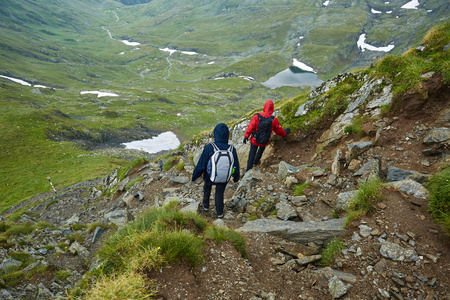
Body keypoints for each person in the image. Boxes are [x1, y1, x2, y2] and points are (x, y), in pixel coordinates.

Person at [192, 123, 240, 218]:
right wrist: (235, 177)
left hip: (210, 176)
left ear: (215, 134)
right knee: (219, 192)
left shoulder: (210, 147)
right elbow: (235, 166)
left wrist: (194, 176)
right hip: (224, 177)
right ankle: (219, 213)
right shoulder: (232, 149)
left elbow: (201, 165)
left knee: (207, 186)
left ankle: (206, 206)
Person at [243, 100, 290, 172]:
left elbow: (250, 128)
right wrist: (285, 133)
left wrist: (246, 136)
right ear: (272, 109)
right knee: (261, 150)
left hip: (254, 140)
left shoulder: (256, 116)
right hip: (264, 140)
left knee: (251, 155)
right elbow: (278, 130)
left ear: (264, 107)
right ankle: (256, 162)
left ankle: (248, 171)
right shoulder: (273, 119)